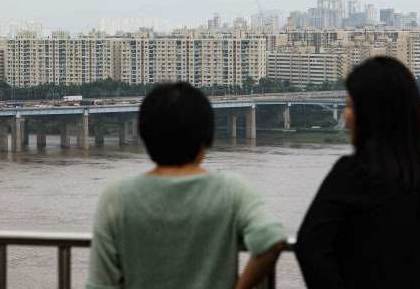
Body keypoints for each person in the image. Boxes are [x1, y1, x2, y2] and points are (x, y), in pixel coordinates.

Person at [87, 82, 286, 289]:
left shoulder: (117, 196)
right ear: (205, 141)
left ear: (146, 139)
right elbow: (272, 241)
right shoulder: (233, 189)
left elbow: (100, 284)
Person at [295, 56, 420, 289]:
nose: (345, 115)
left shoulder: (354, 174)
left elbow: (309, 246)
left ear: (371, 116)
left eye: (351, 106)